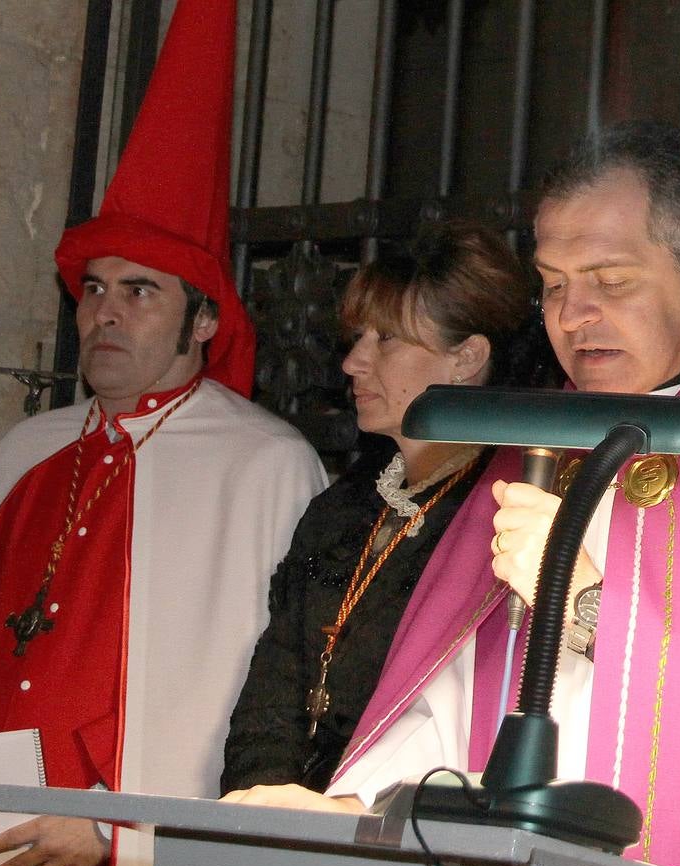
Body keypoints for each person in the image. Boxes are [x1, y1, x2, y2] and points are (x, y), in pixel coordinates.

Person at [227, 121, 680, 866]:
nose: (571, 316)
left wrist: (582, 603)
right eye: (552, 283)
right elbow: (461, 691)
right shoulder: (543, 440)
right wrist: (361, 807)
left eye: (610, 280)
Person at [0, 2, 327, 866]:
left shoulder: (264, 465)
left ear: (205, 320)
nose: (105, 312)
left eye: (140, 291)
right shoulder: (27, 450)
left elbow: (270, 697)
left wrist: (117, 824)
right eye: (93, 288)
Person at [219, 219, 547, 805]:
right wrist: (261, 803)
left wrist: (339, 813)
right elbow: (272, 692)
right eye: (358, 337)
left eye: (386, 339)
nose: (354, 362)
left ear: (467, 357)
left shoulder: (506, 512)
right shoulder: (340, 510)